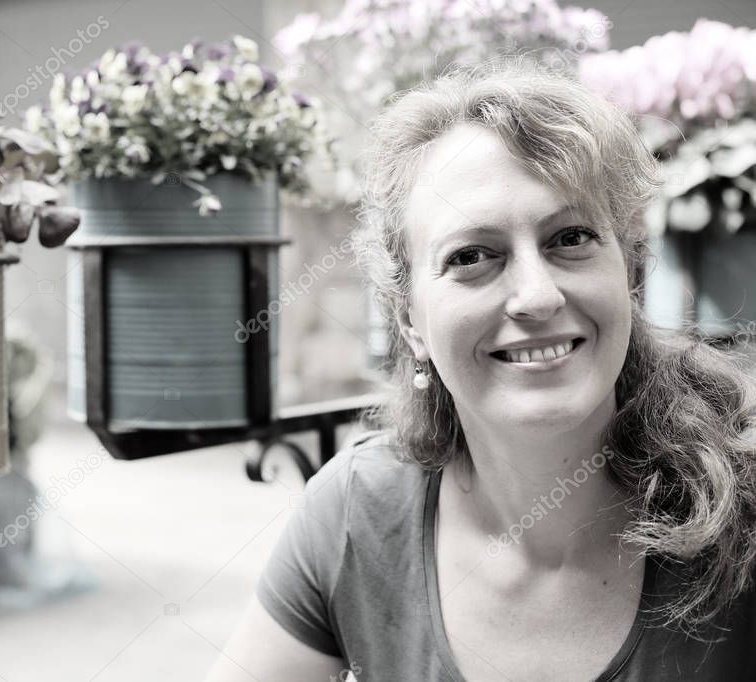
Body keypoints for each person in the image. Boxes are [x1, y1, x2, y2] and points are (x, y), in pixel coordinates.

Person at [203, 58, 756, 681]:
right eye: (471, 256)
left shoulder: (746, 503)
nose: (537, 296)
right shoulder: (359, 511)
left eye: (570, 238)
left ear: (629, 272)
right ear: (409, 319)